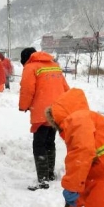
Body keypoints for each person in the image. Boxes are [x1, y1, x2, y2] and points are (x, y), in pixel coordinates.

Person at [19, 47, 70, 191]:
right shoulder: (54, 65)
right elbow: (65, 88)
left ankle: (42, 180)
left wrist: (23, 106)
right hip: (56, 111)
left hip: (41, 112)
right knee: (49, 141)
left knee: (39, 144)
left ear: (26, 59)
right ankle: (49, 173)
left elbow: (27, 89)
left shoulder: (31, 67)